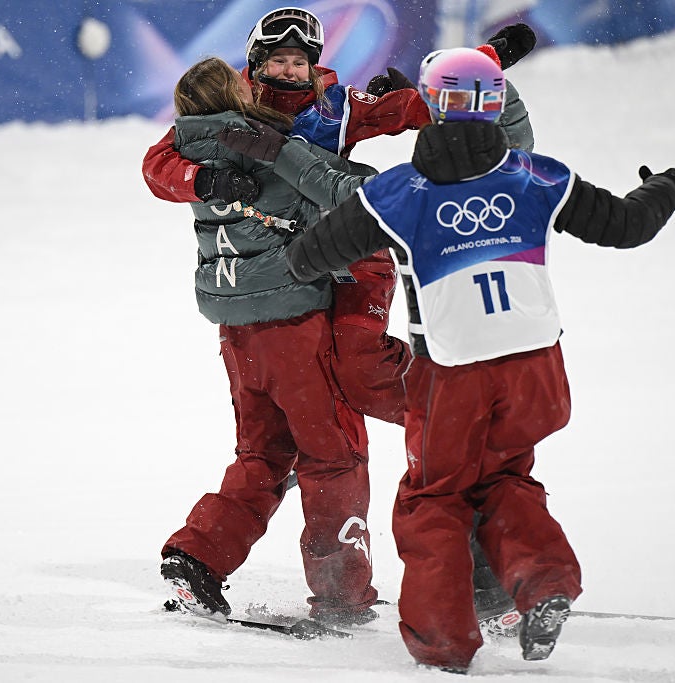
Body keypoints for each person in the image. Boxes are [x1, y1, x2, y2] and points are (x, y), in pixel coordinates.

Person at [226, 47, 675, 671]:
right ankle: (543, 582)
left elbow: (308, 257)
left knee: (432, 499)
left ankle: (444, 643)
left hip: (453, 373)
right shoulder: (538, 176)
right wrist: (667, 186)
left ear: (431, 103)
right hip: (538, 372)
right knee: (505, 479)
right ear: (496, 101)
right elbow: (627, 225)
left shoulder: (397, 194)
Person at [146, 6, 534, 633]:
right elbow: (162, 163)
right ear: (253, 66)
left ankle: (454, 429)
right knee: (321, 445)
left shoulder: (334, 105)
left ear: (317, 62)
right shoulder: (235, 118)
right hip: (289, 296)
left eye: (299, 61)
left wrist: (487, 61)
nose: (289, 70)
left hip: (350, 267)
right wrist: (201, 178)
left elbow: (415, 107)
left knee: (350, 381)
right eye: (276, 61)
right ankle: (351, 571)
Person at [158, 56, 386, 628]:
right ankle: (341, 595)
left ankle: (197, 557)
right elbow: (344, 191)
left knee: (262, 454)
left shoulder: (192, 148)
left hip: (238, 335)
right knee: (333, 456)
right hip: (295, 327)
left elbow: (155, 166)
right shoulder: (268, 142)